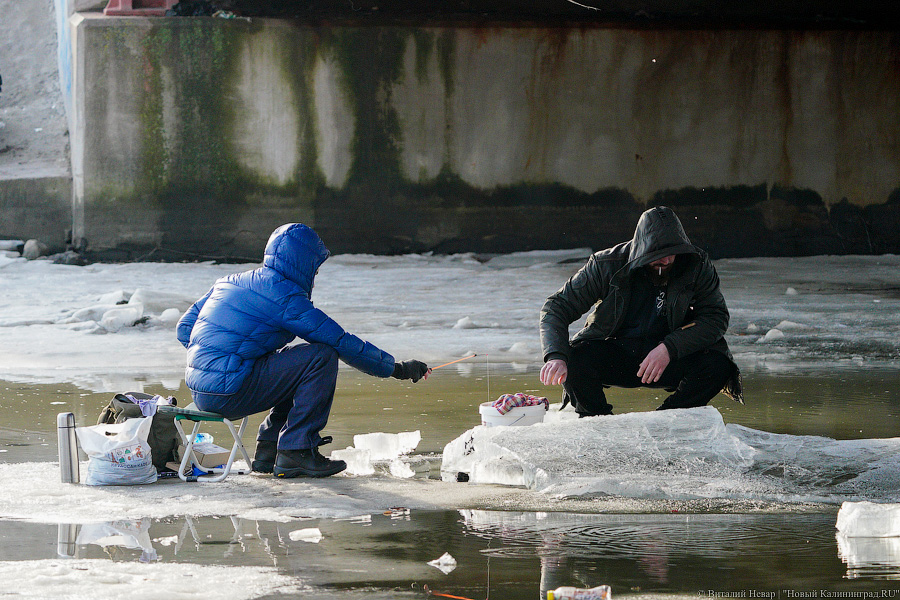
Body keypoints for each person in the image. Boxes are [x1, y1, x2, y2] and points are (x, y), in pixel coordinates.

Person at [177, 223, 430, 478]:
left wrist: (217, 358)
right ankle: (297, 451)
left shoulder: (229, 282)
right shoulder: (285, 297)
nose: (316, 275)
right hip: (231, 392)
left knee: (291, 362)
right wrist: (396, 369)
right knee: (321, 356)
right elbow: (339, 341)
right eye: (315, 268)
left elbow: (184, 328)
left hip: (200, 390)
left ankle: (270, 450)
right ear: (303, 263)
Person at [539, 206, 742, 416]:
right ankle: (597, 421)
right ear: (641, 249)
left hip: (668, 357)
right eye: (656, 255)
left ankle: (668, 418)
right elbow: (556, 307)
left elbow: (716, 317)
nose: (664, 261)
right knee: (575, 360)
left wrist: (670, 348)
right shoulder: (605, 264)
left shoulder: (696, 264)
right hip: (617, 351)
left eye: (670, 254)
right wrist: (556, 356)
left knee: (718, 365)